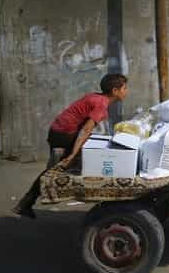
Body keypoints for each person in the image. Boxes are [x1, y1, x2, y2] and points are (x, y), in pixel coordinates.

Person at [12, 73, 128, 219]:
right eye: (124, 88)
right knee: (63, 165)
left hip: (57, 130)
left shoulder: (96, 97)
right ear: (115, 91)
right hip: (63, 135)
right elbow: (86, 130)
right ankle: (27, 202)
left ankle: (27, 202)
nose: (126, 91)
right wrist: (73, 153)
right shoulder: (101, 105)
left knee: (57, 167)